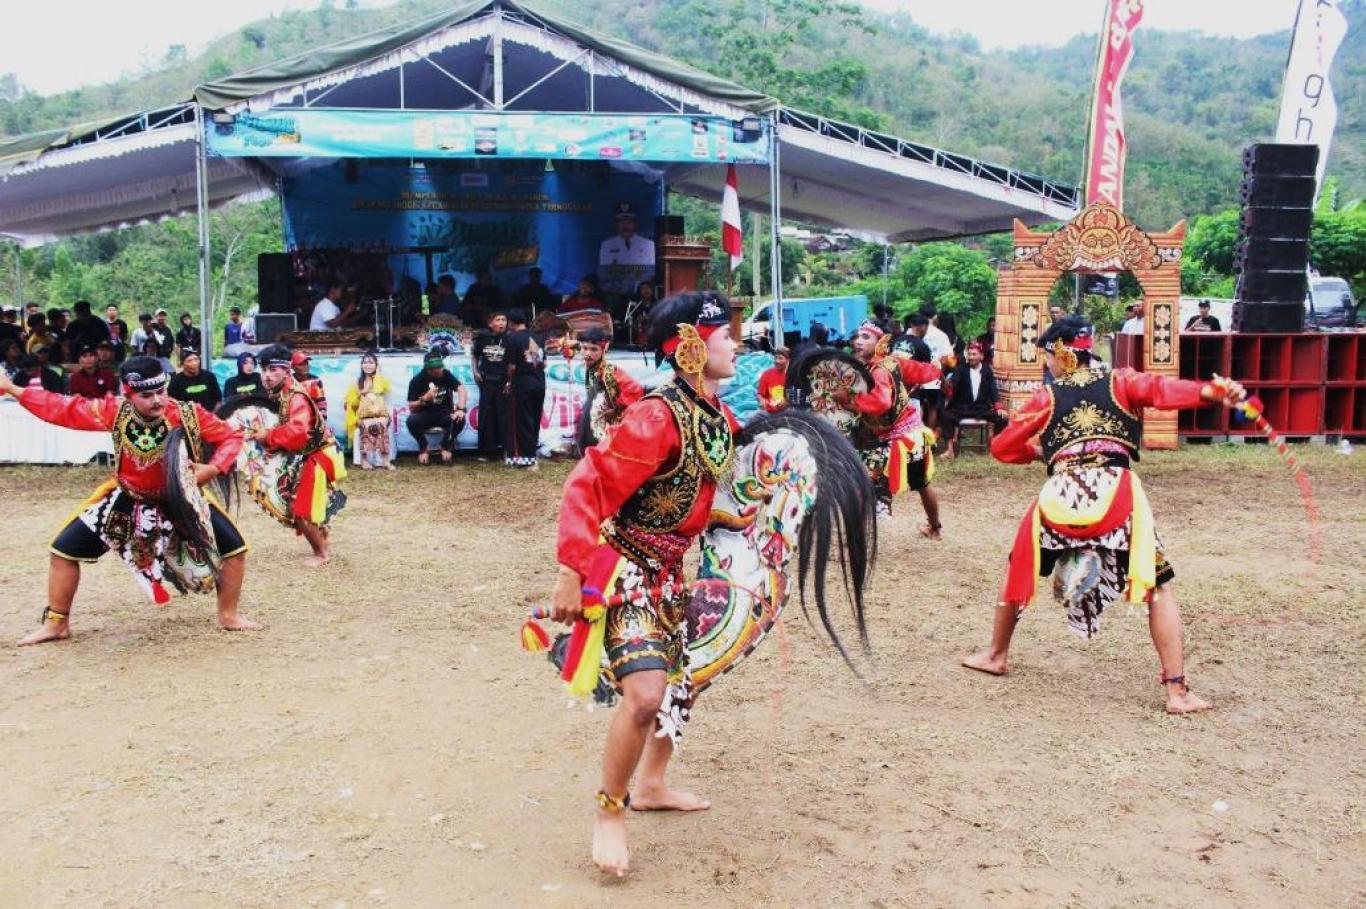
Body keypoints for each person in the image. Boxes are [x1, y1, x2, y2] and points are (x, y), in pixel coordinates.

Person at [962, 316, 1249, 714]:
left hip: (1061, 495)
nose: (1047, 365)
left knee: (1018, 568)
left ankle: (996, 654)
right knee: (1158, 586)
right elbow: (1162, 390)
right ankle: (1177, 691)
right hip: (1116, 493)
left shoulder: (1047, 396)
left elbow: (1003, 447)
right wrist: (1209, 390)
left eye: (1048, 357)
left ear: (1060, 354)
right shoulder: (1121, 381)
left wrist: (1040, 453)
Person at [548, 290, 739, 877]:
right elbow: (589, 485)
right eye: (724, 333)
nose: (735, 342)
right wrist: (570, 571)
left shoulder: (715, 413)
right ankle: (610, 810)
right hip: (628, 570)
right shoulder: (658, 416)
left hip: (671, 577)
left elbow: (698, 494)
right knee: (647, 698)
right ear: (689, 346)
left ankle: (652, 785)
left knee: (686, 685)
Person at [0, 356, 258, 645]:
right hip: (128, 498)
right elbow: (62, 408)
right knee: (62, 551)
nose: (157, 400)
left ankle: (228, 615)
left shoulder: (187, 413)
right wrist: (12, 389)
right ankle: (57, 623)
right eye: (146, 395)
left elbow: (231, 437)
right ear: (128, 393)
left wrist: (212, 468)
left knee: (235, 549)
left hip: (180, 499)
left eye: (160, 391)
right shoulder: (113, 411)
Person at [834, 320, 944, 533]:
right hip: (906, 433)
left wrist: (848, 401)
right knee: (920, 484)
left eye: (866, 337)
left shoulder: (879, 371)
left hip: (900, 438)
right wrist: (934, 369)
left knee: (871, 482)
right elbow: (916, 370)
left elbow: (881, 403)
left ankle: (871, 523)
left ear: (880, 342)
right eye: (857, 337)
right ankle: (934, 527)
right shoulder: (889, 362)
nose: (858, 341)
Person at [245, 345, 347, 566]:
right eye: (264, 370)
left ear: (287, 370)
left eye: (273, 370)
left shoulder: (295, 396)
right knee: (298, 503)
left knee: (297, 506)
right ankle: (322, 541)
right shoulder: (283, 392)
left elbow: (298, 431)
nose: (267, 375)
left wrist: (268, 435)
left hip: (318, 454)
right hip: (309, 453)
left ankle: (321, 553)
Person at [574, 326, 644, 450]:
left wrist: (616, 410)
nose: (588, 354)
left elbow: (635, 390)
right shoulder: (592, 370)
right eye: (584, 348)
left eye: (594, 349)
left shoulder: (611, 371)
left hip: (607, 433)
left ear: (604, 349)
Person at [942, 341, 1006, 457]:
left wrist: (998, 406)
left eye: (974, 354)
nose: (971, 357)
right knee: (945, 415)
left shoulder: (987, 371)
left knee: (1003, 417)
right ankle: (949, 450)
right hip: (962, 408)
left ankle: (995, 447)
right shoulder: (961, 369)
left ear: (981, 356)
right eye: (969, 354)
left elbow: (993, 389)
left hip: (980, 408)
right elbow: (953, 385)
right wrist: (946, 384)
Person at [502, 309, 547, 469]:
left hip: (522, 385)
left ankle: (527, 459)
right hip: (539, 384)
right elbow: (544, 363)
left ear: (511, 323)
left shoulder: (512, 338)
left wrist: (509, 382)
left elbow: (512, 367)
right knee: (534, 421)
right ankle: (531, 456)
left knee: (521, 423)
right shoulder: (538, 337)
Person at [405, 348, 467, 465]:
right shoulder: (416, 380)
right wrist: (424, 399)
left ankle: (445, 446)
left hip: (445, 413)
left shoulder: (446, 374)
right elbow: (412, 407)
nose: (441, 370)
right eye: (438, 368)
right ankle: (423, 447)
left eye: (441, 366)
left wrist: (461, 409)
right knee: (411, 421)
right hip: (425, 414)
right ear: (429, 369)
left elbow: (461, 388)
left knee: (460, 419)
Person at [344, 352, 396, 471]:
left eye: (371, 363)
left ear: (376, 365)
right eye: (365, 363)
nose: (368, 365)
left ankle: (385, 460)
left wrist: (377, 376)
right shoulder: (356, 383)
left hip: (380, 414)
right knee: (366, 425)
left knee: (381, 423)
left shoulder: (382, 381)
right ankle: (364, 459)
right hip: (362, 415)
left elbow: (387, 398)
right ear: (361, 365)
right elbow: (351, 404)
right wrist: (362, 393)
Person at [471, 311, 509, 460]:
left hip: (503, 382)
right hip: (486, 381)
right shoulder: (483, 338)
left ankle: (506, 450)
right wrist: (475, 371)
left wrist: (510, 381)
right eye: (498, 320)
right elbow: (475, 355)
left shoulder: (510, 339)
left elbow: (514, 362)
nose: (501, 323)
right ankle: (487, 451)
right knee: (487, 415)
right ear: (490, 323)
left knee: (503, 415)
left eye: (504, 320)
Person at [598, 202, 655, 297]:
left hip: (641, 292)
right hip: (615, 293)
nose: (626, 226)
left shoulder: (648, 244)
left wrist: (637, 288)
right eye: (622, 223)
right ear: (616, 224)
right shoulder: (607, 245)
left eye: (629, 222)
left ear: (635, 224)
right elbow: (604, 274)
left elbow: (650, 273)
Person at [291, 351, 328, 419]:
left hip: (312, 418)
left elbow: (321, 400)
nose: (305, 366)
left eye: (306, 363)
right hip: (294, 418)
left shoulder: (316, 380)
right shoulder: (289, 381)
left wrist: (323, 417)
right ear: (293, 367)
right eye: (301, 364)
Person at [757, 347, 790, 413]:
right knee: (754, 418)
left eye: (780, 358)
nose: (777, 361)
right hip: (769, 411)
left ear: (788, 360)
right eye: (775, 358)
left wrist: (787, 402)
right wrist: (762, 401)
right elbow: (760, 394)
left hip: (788, 411)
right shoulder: (767, 374)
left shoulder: (792, 375)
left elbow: (796, 397)